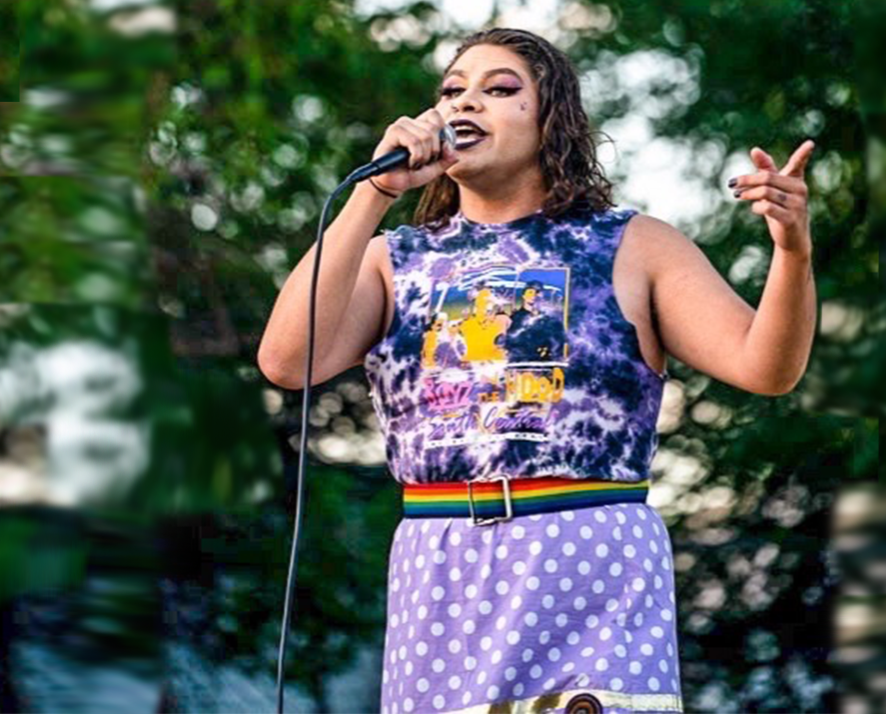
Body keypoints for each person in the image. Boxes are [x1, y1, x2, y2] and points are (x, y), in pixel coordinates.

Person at [257, 25, 816, 714]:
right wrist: (375, 193)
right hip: (441, 567)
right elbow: (286, 361)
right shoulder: (393, 258)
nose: (467, 104)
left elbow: (766, 367)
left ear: (553, 120)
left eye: (499, 90)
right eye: (452, 91)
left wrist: (792, 253)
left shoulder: (632, 244)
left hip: (589, 556)